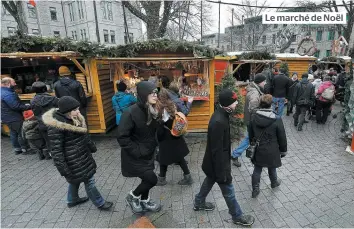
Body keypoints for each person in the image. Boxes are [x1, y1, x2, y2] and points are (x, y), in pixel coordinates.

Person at [194, 89, 255, 226]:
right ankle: (237, 216)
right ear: (227, 105)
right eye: (234, 102)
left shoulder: (222, 115)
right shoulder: (218, 122)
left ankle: (198, 202)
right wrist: (223, 173)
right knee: (228, 191)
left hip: (214, 164)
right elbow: (217, 151)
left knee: (209, 180)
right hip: (218, 165)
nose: (237, 103)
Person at [43, 96, 113, 210]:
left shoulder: (77, 118)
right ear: (67, 111)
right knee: (89, 181)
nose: (78, 111)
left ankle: (72, 200)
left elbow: (84, 135)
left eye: (78, 108)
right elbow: (56, 150)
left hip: (82, 156)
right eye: (75, 110)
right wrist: (63, 169)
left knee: (75, 180)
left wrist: (91, 146)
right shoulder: (57, 127)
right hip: (73, 160)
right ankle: (100, 203)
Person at [117, 81, 161, 214]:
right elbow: (122, 137)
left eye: (156, 93)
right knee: (152, 179)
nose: (155, 95)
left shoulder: (152, 109)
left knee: (146, 179)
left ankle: (145, 201)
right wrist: (138, 151)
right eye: (152, 93)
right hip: (135, 156)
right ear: (143, 94)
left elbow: (153, 132)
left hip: (149, 153)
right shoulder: (130, 113)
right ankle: (132, 197)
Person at [248, 94, 287, 198]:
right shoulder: (277, 119)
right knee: (272, 166)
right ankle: (274, 182)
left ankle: (255, 189)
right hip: (272, 148)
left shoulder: (253, 117)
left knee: (257, 169)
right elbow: (282, 136)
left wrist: (252, 144)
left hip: (259, 148)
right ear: (271, 105)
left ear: (260, 104)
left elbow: (250, 134)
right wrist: (283, 151)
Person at [155, 88, 193, 186]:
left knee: (163, 157)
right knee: (178, 157)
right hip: (175, 134)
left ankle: (162, 179)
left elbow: (160, 125)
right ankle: (187, 177)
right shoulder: (173, 105)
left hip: (166, 137)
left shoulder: (161, 109)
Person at [231, 73, 266, 167]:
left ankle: (236, 154)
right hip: (252, 120)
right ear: (260, 82)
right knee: (249, 139)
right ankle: (235, 154)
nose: (265, 83)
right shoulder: (255, 93)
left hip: (250, 119)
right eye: (264, 81)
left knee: (251, 138)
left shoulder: (253, 89)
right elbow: (253, 107)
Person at [1, 77, 31, 154]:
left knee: (13, 132)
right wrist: (28, 106)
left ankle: (17, 149)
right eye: (13, 82)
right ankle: (25, 149)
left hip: (6, 117)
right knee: (21, 133)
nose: (15, 84)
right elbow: (15, 106)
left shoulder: (2, 91)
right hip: (14, 117)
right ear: (8, 84)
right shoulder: (8, 94)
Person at [31, 81, 58, 159]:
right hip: (53, 123)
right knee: (57, 140)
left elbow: (35, 113)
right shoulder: (53, 98)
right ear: (45, 89)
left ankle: (53, 156)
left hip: (42, 124)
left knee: (48, 142)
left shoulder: (32, 101)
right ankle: (59, 157)